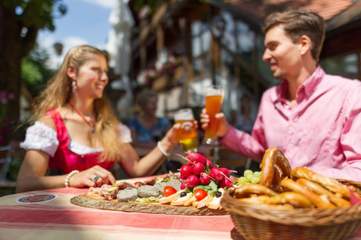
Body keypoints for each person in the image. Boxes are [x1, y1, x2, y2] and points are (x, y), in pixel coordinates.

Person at [201, 10, 361, 181]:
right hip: (274, 205)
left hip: (327, 205)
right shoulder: (269, 98)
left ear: (303, 44)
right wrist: (225, 131)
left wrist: (299, 178)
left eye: (273, 46)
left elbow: (358, 168)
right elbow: (261, 150)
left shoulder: (350, 94)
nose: (265, 56)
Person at [17, 45, 179, 192]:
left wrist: (168, 142)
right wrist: (73, 178)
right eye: (96, 69)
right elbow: (25, 183)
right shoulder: (51, 124)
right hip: (66, 218)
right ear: (72, 72)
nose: (104, 78)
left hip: (105, 211)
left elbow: (136, 169)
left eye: (105, 71)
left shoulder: (108, 123)